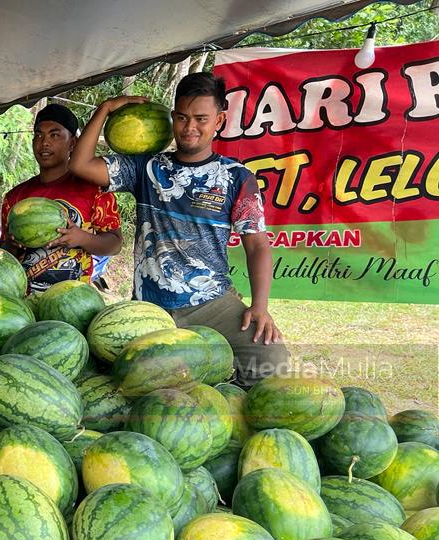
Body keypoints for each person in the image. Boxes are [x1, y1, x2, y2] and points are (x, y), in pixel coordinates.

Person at [68, 73, 288, 386]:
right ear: (173, 117)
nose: (190, 128)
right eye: (182, 117)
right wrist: (105, 109)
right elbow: (80, 164)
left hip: (213, 302)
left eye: (201, 118)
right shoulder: (146, 168)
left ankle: (228, 395)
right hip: (151, 308)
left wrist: (261, 307)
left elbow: (258, 246)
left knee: (273, 365)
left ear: (219, 120)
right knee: (137, 385)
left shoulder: (237, 178)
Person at [1, 103, 122, 293]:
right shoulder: (15, 198)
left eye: (54, 135)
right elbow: (5, 257)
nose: (44, 142)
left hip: (74, 301)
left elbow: (115, 244)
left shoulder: (95, 189)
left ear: (73, 143)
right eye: (38, 135)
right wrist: (11, 244)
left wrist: (81, 238)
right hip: (25, 303)